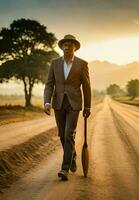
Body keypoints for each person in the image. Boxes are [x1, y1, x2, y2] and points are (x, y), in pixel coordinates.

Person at [43, 34, 91, 181]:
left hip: (74, 105)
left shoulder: (82, 64)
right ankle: (73, 156)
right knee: (62, 135)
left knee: (69, 134)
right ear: (62, 47)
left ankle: (64, 169)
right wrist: (47, 102)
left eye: (71, 45)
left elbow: (87, 87)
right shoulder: (55, 63)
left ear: (75, 48)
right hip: (58, 103)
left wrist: (87, 106)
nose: (68, 47)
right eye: (65, 45)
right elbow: (49, 84)